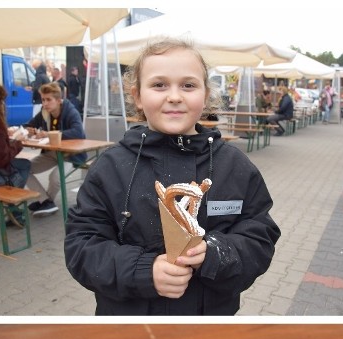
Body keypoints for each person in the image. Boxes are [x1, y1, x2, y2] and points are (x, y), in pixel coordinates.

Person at [64, 37, 281, 316]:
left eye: (188, 85)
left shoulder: (235, 166)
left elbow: (260, 236)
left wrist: (216, 253)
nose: (175, 96)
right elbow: (81, 245)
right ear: (138, 96)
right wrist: (143, 271)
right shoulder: (110, 167)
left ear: (206, 95)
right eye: (159, 85)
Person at [23, 82, 86, 216]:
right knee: (22, 169)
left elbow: (78, 132)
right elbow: (29, 124)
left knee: (55, 178)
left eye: (48, 100)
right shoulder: (44, 113)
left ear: (58, 100)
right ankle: (45, 201)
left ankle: (46, 202)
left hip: (69, 155)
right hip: (52, 153)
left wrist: (48, 134)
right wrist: (28, 130)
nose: (45, 103)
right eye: (43, 99)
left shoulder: (70, 111)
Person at [0, 82, 33, 227]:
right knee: (25, 165)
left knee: (18, 166)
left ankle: (13, 208)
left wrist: (7, 139)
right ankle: (13, 205)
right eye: (2, 101)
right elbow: (2, 159)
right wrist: (18, 143)